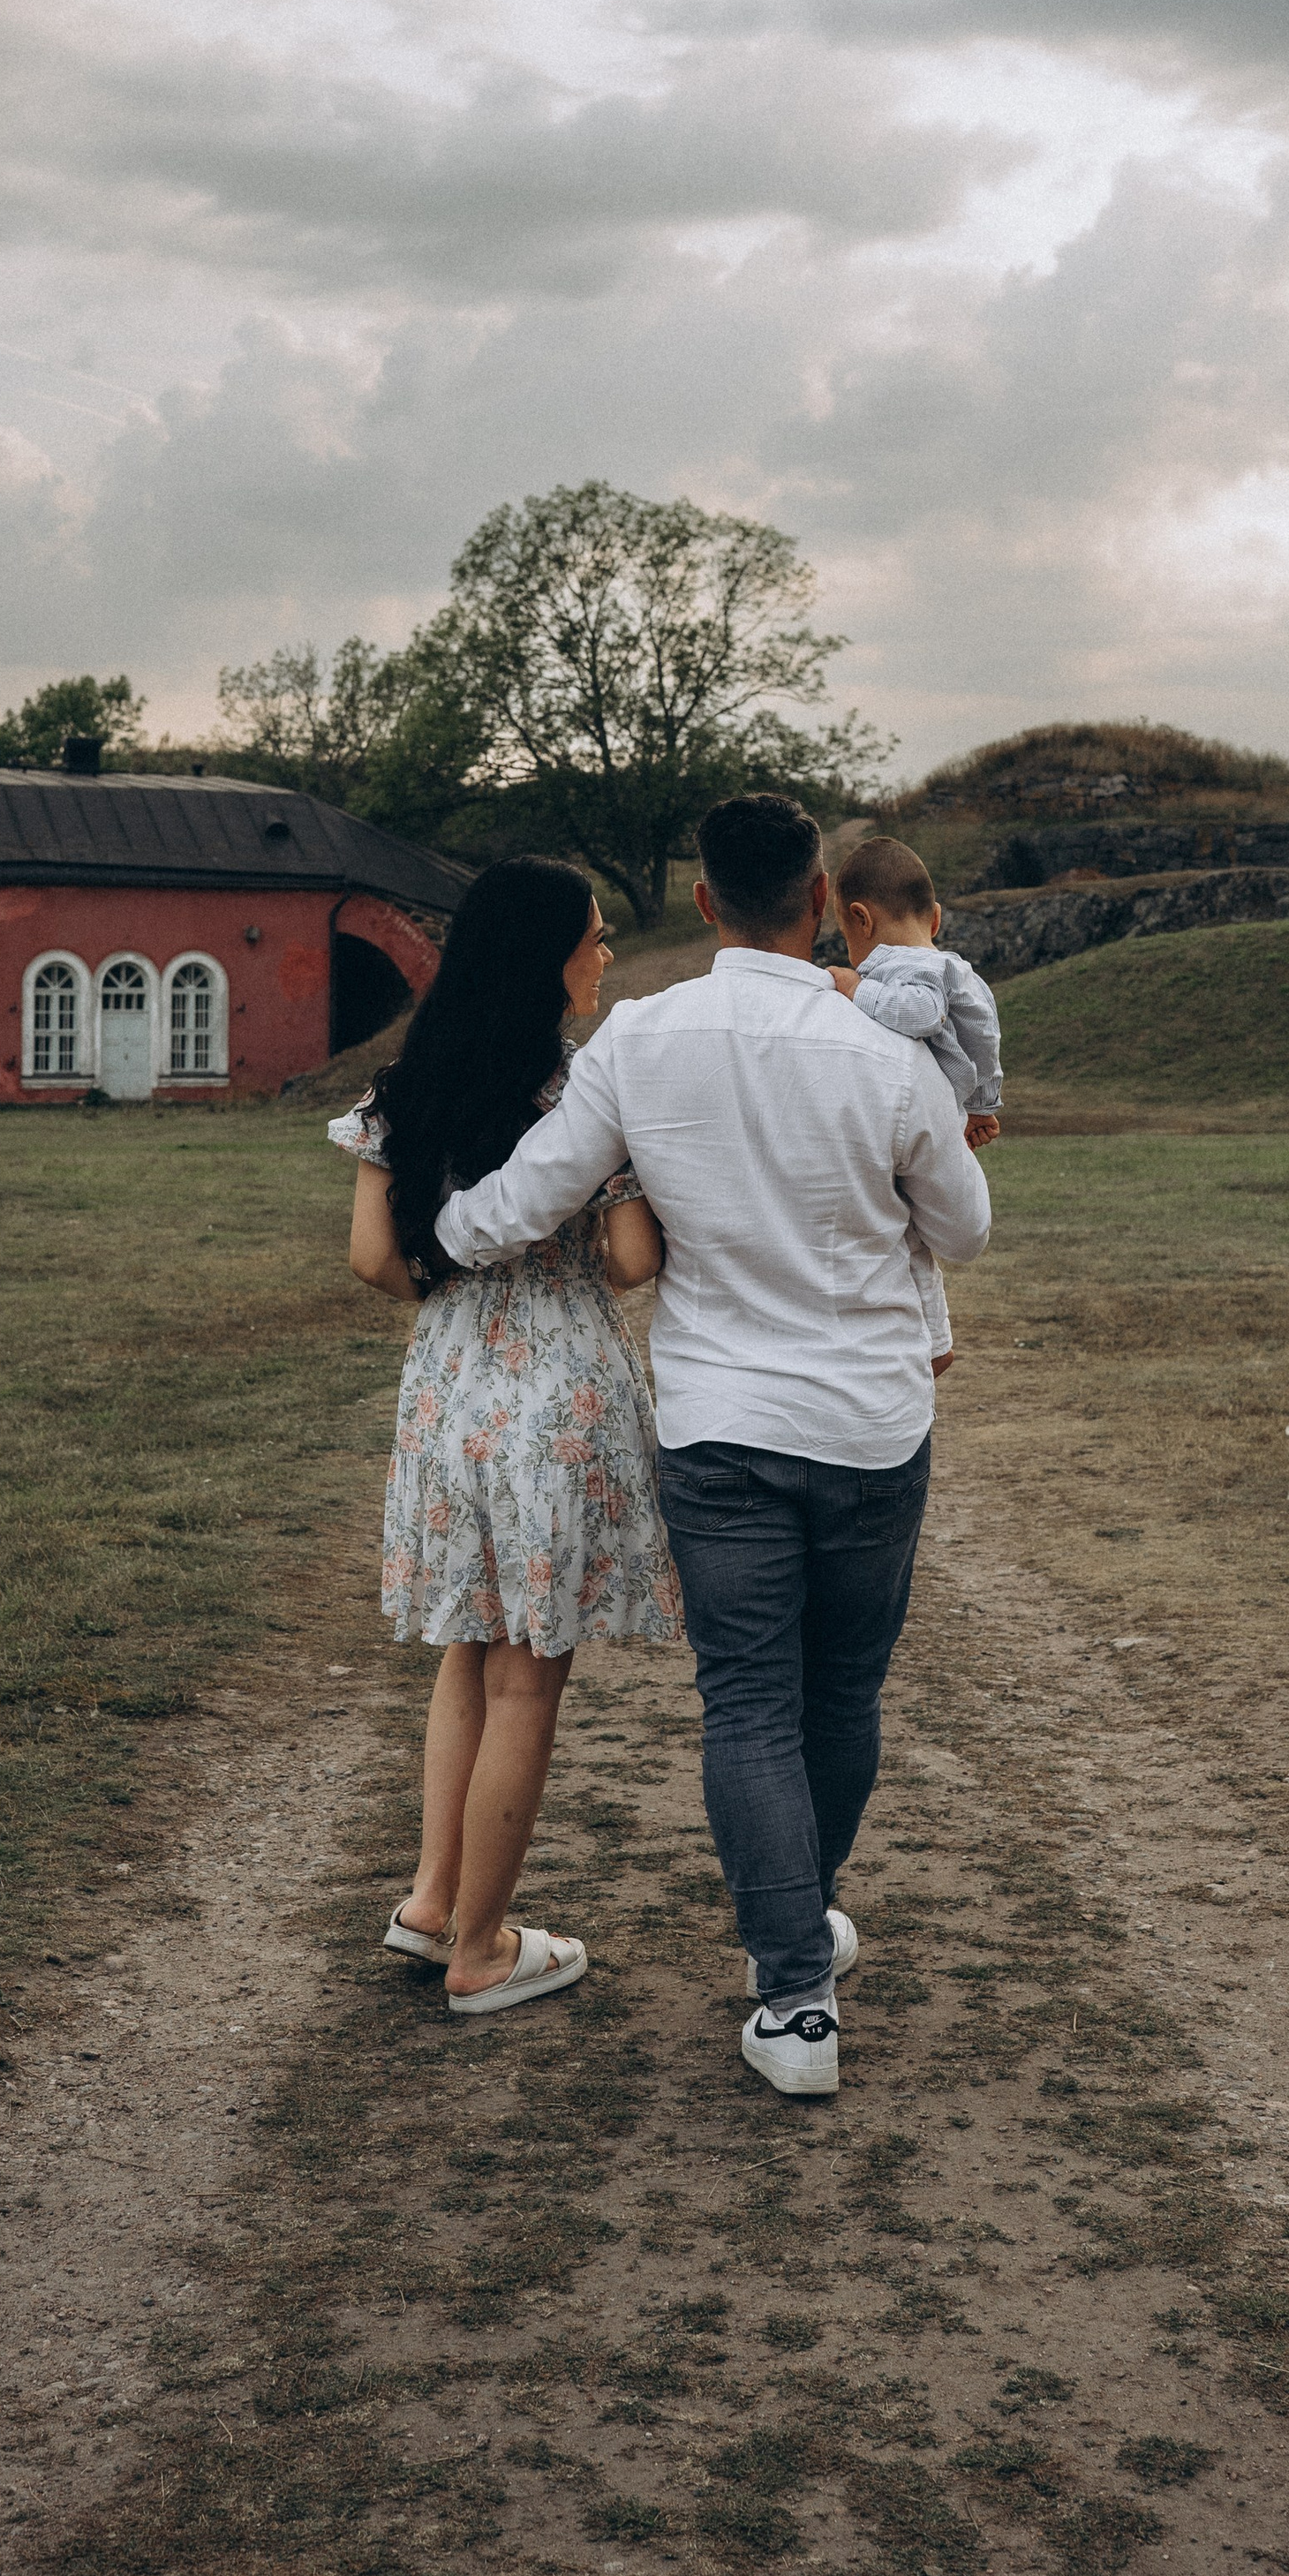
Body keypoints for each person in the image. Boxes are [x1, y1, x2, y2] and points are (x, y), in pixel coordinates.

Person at [432, 792, 992, 2098]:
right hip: (866, 1422)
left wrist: (435, 1240)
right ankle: (796, 1940)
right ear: (819, 903)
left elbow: (538, 1190)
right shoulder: (881, 1048)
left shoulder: (640, 1037)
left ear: (700, 902)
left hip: (722, 1426)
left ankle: (794, 1989)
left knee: (747, 1701)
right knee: (839, 1695)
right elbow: (963, 1231)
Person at [332, 856, 679, 2020]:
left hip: (448, 1390)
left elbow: (377, 1261)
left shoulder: (403, 1086)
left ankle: (433, 1900)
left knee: (468, 1650)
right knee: (531, 1675)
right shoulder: (579, 1100)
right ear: (544, 957)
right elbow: (631, 1260)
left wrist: (461, 1304)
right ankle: (483, 1948)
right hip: (556, 1394)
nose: (604, 955)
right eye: (593, 937)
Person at [827, 832, 1003, 1380]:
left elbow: (921, 1015)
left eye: (845, 935)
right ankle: (936, 1339)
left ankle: (936, 1341)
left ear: (861, 919)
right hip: (945, 1104)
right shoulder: (955, 967)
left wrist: (858, 990)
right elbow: (985, 1042)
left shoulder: (905, 967)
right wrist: (983, 1104)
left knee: (905, 1231)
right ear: (937, 917)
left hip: (920, 1106)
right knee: (914, 1231)